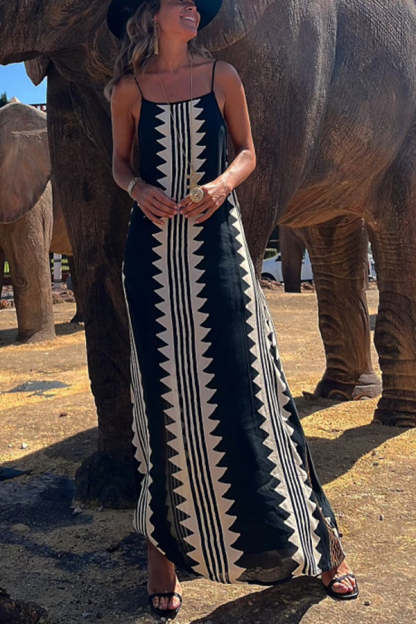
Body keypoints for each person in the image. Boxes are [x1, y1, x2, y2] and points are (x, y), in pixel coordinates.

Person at [105, 0, 359, 619]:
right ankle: (163, 555)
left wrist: (221, 184)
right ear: (151, 12)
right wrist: (137, 188)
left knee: (253, 386)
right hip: (153, 261)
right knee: (162, 398)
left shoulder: (223, 76)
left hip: (218, 248)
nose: (193, 6)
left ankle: (320, 542)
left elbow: (247, 152)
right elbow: (119, 162)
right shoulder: (128, 90)